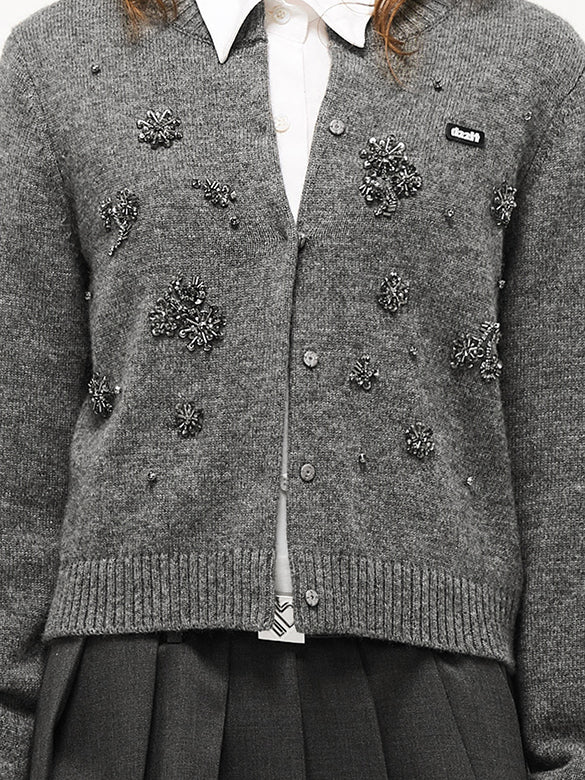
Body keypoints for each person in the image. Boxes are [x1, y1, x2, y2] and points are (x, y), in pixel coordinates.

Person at [0, 0, 584, 776]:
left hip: (435, 683)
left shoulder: (527, 59)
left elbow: (560, 439)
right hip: (129, 681)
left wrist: (569, 744)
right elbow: (20, 437)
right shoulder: (58, 60)